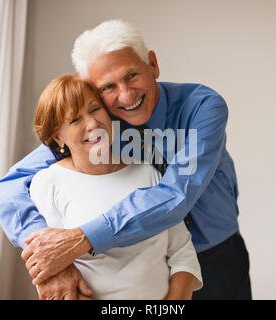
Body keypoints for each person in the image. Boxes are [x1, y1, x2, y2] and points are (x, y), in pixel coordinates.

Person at [0, 19, 251, 299]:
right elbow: (9, 188)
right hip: (146, 269)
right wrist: (49, 255)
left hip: (217, 258)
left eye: (131, 75)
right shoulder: (99, 123)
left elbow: (176, 195)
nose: (125, 95)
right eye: (108, 87)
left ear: (152, 64)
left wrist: (81, 239)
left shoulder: (202, 107)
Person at [29, 74, 202, 299]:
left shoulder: (147, 172)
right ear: (58, 137)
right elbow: (50, 272)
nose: (92, 124)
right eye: (74, 120)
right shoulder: (48, 183)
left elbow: (182, 253)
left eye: (94, 109)